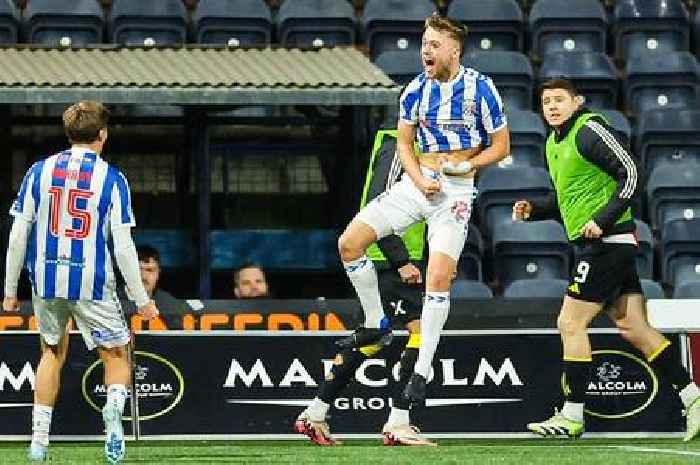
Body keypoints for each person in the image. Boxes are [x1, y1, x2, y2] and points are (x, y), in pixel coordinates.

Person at [336, 14, 510, 407]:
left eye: (434, 44)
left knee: (438, 279)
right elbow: (403, 145)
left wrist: (470, 166)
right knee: (350, 243)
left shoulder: (481, 88)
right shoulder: (414, 90)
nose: (426, 50)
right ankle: (375, 322)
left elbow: (501, 146)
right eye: (424, 43)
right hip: (417, 185)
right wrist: (418, 178)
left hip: (457, 191)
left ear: (454, 49)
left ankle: (421, 372)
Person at [516, 78, 700, 440]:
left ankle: (572, 416)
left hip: (609, 243)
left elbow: (632, 173)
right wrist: (535, 209)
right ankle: (694, 399)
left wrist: (601, 221)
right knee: (635, 328)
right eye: (546, 101)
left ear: (577, 102)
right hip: (599, 244)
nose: (552, 106)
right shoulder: (555, 143)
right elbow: (571, 197)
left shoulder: (590, 130)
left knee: (570, 323)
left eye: (559, 100)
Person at [2, 100, 159, 463]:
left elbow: (17, 236)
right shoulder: (113, 179)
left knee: (51, 353)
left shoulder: (38, 172)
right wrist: (141, 299)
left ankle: (39, 443)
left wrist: (10, 292)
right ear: (102, 135)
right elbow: (122, 246)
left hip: (45, 279)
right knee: (117, 355)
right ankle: (113, 417)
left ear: (67, 132)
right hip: (91, 279)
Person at [295, 129, 435, 446]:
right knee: (422, 333)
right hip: (390, 260)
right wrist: (400, 260)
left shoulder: (425, 148)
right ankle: (399, 422)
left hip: (397, 259)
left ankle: (314, 415)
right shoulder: (400, 148)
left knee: (374, 337)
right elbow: (377, 207)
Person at [119, 245, 189, 329]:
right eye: (138, 270)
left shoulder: (171, 305)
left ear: (158, 273)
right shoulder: (110, 301)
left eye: (149, 270)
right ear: (126, 271)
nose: (143, 276)